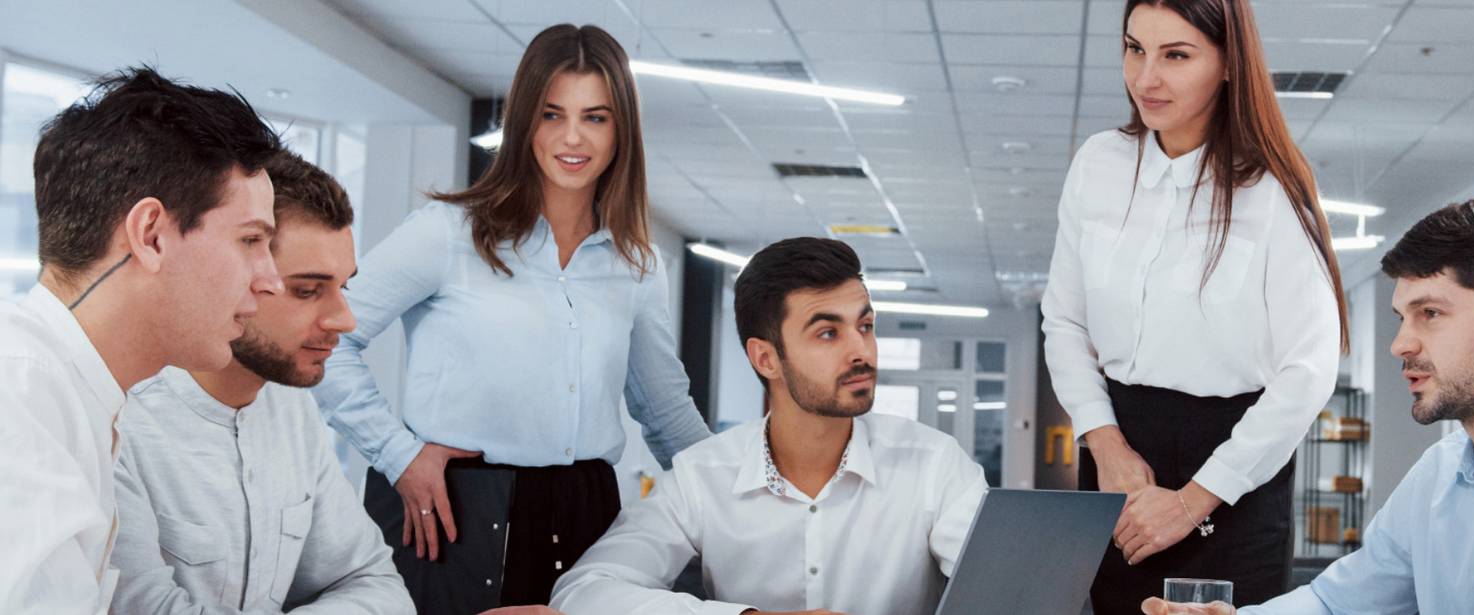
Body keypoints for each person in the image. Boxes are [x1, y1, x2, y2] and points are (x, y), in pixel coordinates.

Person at [312, 24, 712, 613]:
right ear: (525, 122)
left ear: (622, 128)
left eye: (596, 117)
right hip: (457, 512)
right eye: (553, 115)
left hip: (587, 514)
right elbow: (327, 337)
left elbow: (665, 410)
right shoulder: (447, 234)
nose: (573, 137)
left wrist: (736, 498)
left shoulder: (637, 263)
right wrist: (397, 454)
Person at [1140, 198, 1474, 615]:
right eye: (1403, 317)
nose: (1400, 344)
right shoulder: (1437, 477)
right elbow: (1336, 604)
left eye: (1431, 314)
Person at [1040, 0, 1347, 609]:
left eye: (1176, 55)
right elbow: (1065, 320)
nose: (1146, 78)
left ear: (1230, 63)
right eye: (1134, 49)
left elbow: (1308, 371)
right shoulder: (1098, 164)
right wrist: (1104, 442)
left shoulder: (1273, 191)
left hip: (1234, 466)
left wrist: (1193, 499)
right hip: (1119, 456)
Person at [548, 237, 989, 615]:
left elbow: (1010, 589)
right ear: (766, 358)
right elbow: (586, 591)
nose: (863, 352)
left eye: (865, 325)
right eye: (827, 333)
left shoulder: (934, 465)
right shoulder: (702, 476)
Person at [0, 67, 283, 613]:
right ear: (151, 235)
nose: (270, 278)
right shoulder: (21, 399)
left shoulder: (68, 391)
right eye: (251, 240)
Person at [108, 152, 414, 614]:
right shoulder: (120, 423)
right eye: (307, 290)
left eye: (343, 287)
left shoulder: (290, 408)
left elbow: (373, 584)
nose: (345, 320)